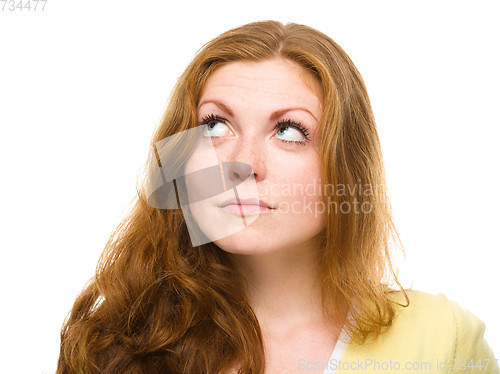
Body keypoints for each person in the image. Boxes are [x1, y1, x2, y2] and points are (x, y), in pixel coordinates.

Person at [56, 20, 498, 374]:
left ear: (346, 165)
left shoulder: (442, 342)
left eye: (289, 131)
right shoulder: (115, 343)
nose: (242, 163)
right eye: (214, 126)